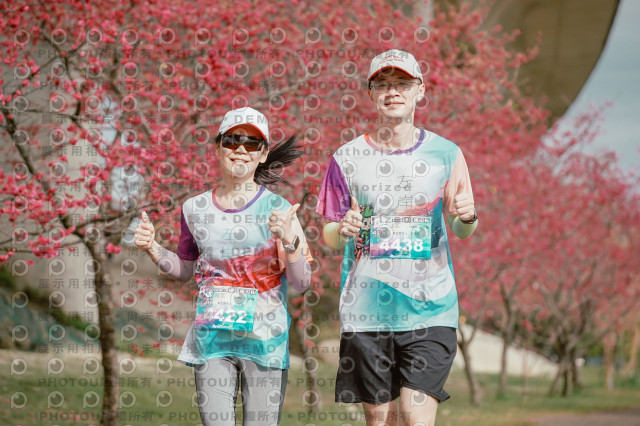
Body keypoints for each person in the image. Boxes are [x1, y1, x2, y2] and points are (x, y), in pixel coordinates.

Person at [316, 49, 478, 426]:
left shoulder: (447, 154)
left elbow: (461, 228)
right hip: (367, 312)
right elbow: (331, 235)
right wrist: (342, 229)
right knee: (382, 423)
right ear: (370, 94)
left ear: (420, 90)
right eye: (383, 85)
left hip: (431, 308)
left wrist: (468, 217)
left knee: (415, 419)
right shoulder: (347, 157)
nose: (393, 92)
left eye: (402, 84)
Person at [134, 107, 313, 426]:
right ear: (218, 147)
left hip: (265, 343)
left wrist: (289, 241)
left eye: (252, 143)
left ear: (263, 154)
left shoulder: (279, 209)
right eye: (232, 140)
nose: (241, 149)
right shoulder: (195, 208)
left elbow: (301, 283)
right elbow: (184, 269)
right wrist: (152, 248)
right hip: (212, 341)